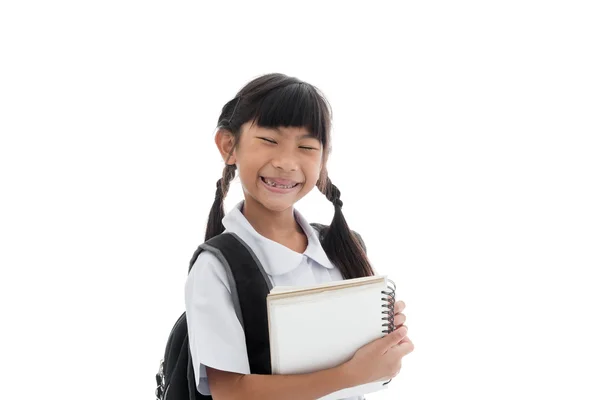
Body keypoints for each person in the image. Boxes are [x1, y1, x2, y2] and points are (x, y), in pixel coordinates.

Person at [185, 73, 414, 400]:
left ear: (323, 159)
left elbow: (371, 374)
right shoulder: (217, 267)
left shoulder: (343, 248)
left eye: (306, 147)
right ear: (228, 145)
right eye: (269, 140)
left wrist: (386, 342)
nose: (286, 162)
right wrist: (349, 375)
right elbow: (230, 392)